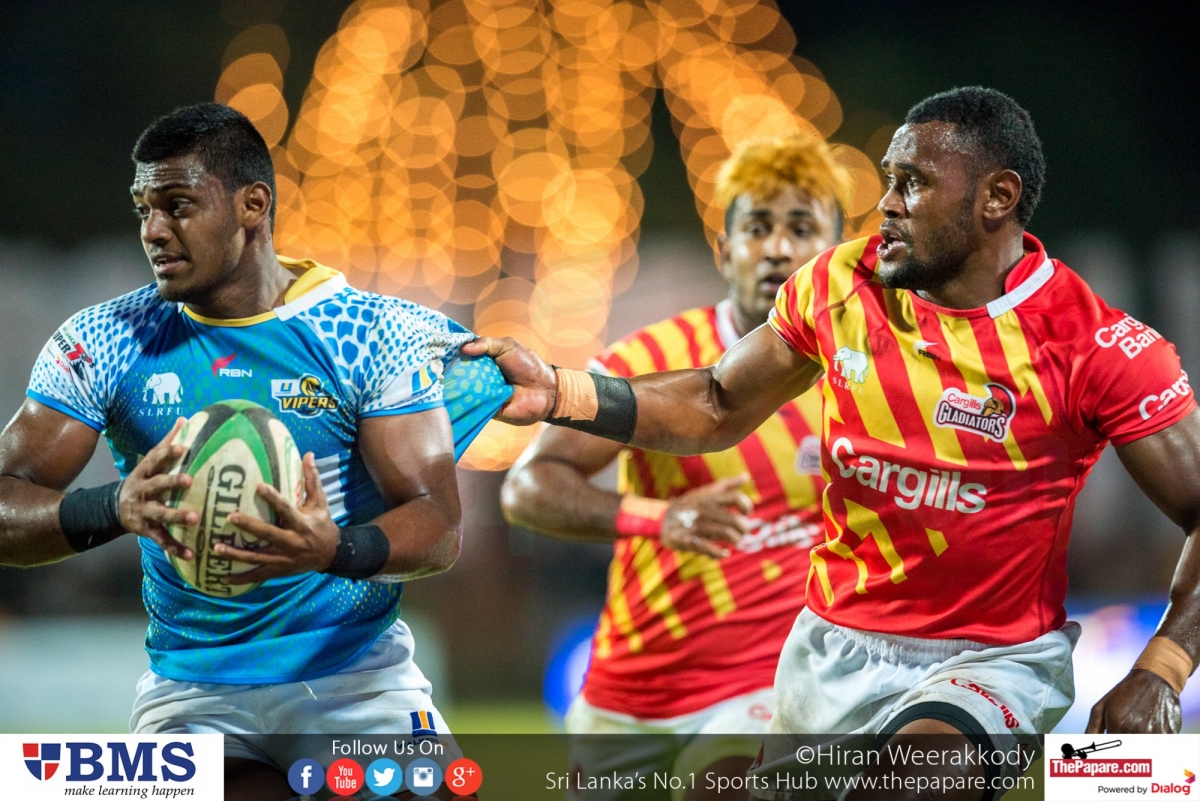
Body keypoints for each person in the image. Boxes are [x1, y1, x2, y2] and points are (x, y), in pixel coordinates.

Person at [467, 86, 1200, 800]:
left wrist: (1161, 669)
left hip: (992, 660)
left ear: (997, 198)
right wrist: (559, 391)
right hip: (828, 652)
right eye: (889, 180)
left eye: (913, 184)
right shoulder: (839, 286)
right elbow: (717, 402)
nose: (887, 204)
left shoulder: (1098, 346)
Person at [0, 103, 509, 801]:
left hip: (357, 682)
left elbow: (439, 524)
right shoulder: (105, 341)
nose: (153, 230)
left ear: (253, 205)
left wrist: (333, 549)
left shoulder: (366, 334)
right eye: (144, 209)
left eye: (177, 206)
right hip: (192, 695)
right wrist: (112, 505)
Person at [500, 134, 848, 797]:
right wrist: (659, 518)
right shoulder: (648, 359)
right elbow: (528, 487)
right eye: (757, 228)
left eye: (802, 229)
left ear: (833, 252)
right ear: (724, 249)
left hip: (769, 681)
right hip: (633, 685)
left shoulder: (857, 377)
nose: (778, 248)